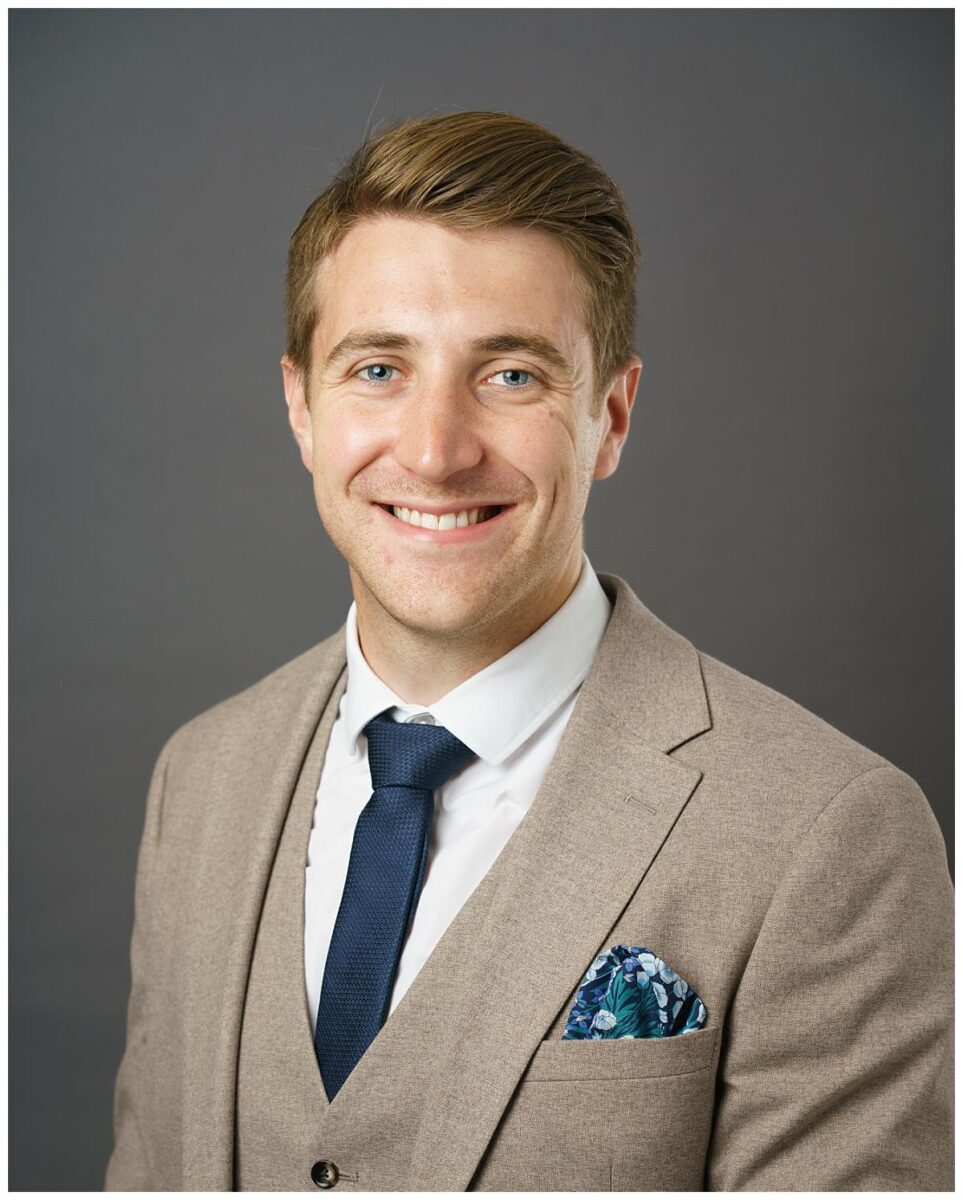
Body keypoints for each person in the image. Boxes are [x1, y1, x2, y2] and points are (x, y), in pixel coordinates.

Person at [105, 110, 953, 1192]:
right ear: (300, 407)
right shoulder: (202, 778)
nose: (434, 450)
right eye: (376, 369)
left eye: (510, 375)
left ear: (610, 414)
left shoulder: (829, 834)